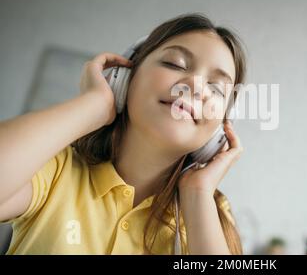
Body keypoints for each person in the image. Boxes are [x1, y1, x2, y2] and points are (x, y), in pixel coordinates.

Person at [0, 13, 247, 254]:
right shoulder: (56, 170)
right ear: (124, 79)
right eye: (175, 64)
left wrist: (197, 194)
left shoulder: (211, 213)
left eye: (217, 89)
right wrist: (94, 105)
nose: (196, 86)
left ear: (219, 131)